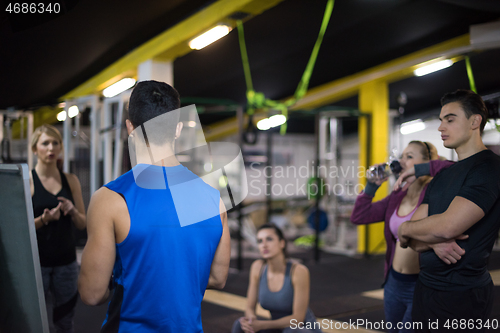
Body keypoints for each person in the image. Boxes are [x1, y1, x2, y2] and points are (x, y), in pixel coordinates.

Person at [78, 80, 231, 332]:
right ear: (177, 128)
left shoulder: (109, 200)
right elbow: (217, 278)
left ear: (130, 128)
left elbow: (92, 293)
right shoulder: (214, 199)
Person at [398, 90, 500, 332]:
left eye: (450, 119)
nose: (441, 127)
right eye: (441, 119)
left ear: (475, 121)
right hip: (426, 289)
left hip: (462, 295)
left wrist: (404, 227)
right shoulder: (442, 175)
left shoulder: (489, 167)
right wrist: (432, 240)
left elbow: (447, 227)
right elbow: (414, 241)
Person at [350, 141, 452, 333]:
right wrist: (371, 186)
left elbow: (454, 168)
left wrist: (423, 170)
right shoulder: (397, 196)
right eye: (402, 156)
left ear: (427, 162)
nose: (401, 161)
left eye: (410, 157)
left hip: (420, 285)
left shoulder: (436, 194)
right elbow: (359, 216)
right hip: (393, 284)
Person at [30, 124, 87, 333]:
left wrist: (72, 210)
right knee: (35, 321)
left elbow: (82, 223)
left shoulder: (70, 180)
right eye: (45, 143)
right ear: (35, 149)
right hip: (38, 264)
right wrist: (44, 220)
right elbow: (21, 228)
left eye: (55, 143)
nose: (51, 147)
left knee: (64, 322)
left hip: (66, 263)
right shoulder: (28, 182)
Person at [232, 223, 322, 333]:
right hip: (277, 328)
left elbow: (298, 319)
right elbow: (250, 308)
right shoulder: (257, 267)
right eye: (260, 241)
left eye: (269, 239)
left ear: (282, 243)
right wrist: (250, 322)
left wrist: (263, 325)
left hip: (300, 329)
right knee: (239, 324)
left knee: (291, 331)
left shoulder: (298, 271)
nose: (264, 245)